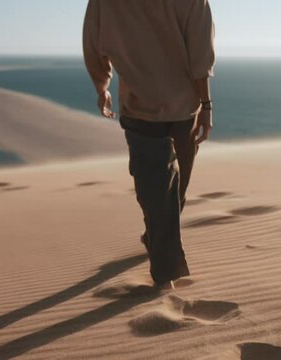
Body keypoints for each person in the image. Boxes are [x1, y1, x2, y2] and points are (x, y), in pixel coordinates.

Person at [83, 0, 215, 289]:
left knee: (166, 190)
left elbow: (93, 45)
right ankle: (165, 271)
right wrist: (206, 104)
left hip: (174, 109)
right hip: (162, 108)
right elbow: (201, 53)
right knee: (159, 188)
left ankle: (155, 236)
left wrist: (102, 87)